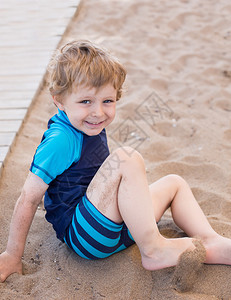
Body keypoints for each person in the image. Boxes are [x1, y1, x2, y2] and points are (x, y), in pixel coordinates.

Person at [0, 40, 231, 283]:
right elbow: (28, 198)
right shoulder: (61, 140)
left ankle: (209, 241)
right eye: (85, 101)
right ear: (59, 100)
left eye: (107, 101)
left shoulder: (89, 122)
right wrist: (12, 255)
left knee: (174, 183)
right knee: (125, 158)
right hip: (84, 235)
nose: (98, 112)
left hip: (118, 226)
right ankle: (153, 250)